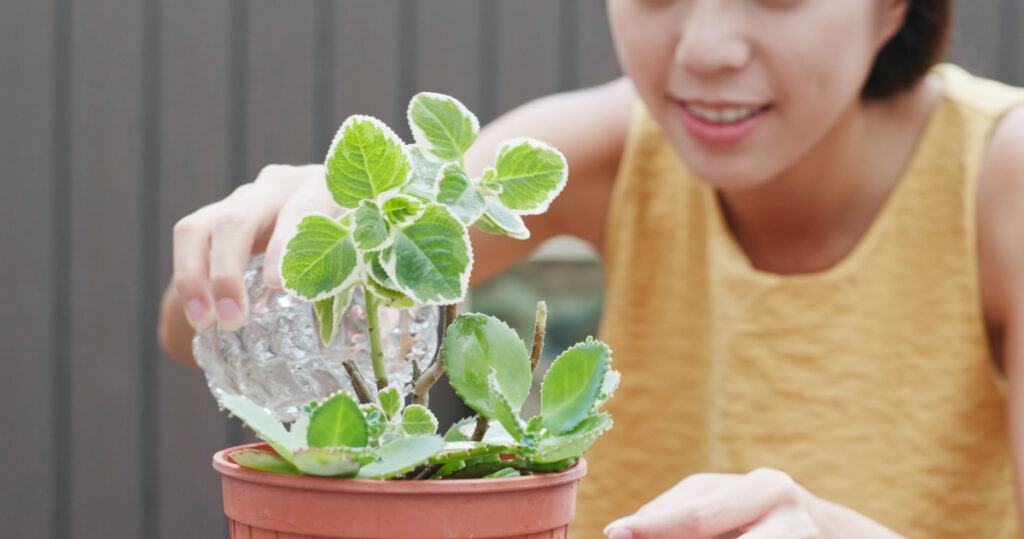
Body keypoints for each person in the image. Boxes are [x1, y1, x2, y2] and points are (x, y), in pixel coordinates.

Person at [158, 0, 1024, 537]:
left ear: (893, 7)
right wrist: (276, 240)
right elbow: (185, 326)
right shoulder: (614, 148)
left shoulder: (999, 180)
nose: (705, 48)